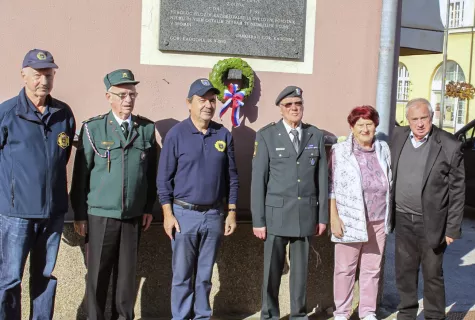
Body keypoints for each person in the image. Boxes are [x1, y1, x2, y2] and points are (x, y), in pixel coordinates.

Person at [70, 69, 157, 320]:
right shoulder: (94, 129)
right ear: (109, 97)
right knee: (97, 274)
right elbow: (81, 176)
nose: (128, 100)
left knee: (127, 278)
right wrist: (79, 214)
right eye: (122, 95)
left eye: (132, 94)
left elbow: (150, 175)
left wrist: (147, 207)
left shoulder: (146, 130)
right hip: (100, 215)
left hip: (132, 216)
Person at [0, 49, 76, 320]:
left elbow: (62, 159)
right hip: (15, 214)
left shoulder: (63, 114)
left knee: (45, 278)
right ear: (23, 75)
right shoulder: (7, 113)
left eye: (48, 74)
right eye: (37, 74)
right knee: (9, 280)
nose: (43, 80)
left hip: (52, 214)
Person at [157, 78, 239, 320]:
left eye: (212, 100)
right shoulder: (176, 135)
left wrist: (232, 211)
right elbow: (163, 180)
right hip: (184, 215)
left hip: (214, 215)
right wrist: (168, 214)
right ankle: (180, 317)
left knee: (204, 276)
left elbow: (232, 177)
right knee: (182, 276)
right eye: (202, 100)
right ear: (189, 103)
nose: (208, 105)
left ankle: (202, 316)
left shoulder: (222, 134)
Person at [251, 86, 328, 320]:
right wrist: (258, 220)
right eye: (289, 105)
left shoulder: (315, 135)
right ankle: (269, 315)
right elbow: (258, 181)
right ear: (280, 109)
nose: (294, 108)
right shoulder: (267, 135)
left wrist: (322, 216)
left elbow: (322, 179)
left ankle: (298, 315)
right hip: (276, 216)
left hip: (305, 214)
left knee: (300, 274)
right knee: (272, 273)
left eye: (298, 104)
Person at [389, 98, 465, 320]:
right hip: (402, 219)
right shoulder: (398, 137)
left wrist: (452, 229)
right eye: (415, 119)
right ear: (408, 120)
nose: (420, 123)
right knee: (405, 272)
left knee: (432, 274)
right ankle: (406, 313)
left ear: (431, 117)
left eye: (424, 118)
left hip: (432, 223)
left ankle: (434, 317)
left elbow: (458, 191)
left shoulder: (449, 144)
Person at [328, 106, 392, 320]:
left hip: (378, 219)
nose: (365, 129)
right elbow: (331, 186)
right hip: (350, 218)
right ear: (352, 127)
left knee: (372, 269)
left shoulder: (383, 149)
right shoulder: (340, 151)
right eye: (360, 124)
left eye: (369, 124)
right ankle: (341, 312)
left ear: (375, 125)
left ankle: (367, 312)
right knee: (345, 269)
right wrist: (333, 217)